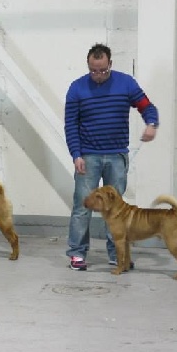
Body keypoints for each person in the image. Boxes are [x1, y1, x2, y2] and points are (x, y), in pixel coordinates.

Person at [64, 43, 159, 271]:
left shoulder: (126, 83)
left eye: (103, 70)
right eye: (93, 70)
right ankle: (77, 254)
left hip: (116, 156)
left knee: (116, 208)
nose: (98, 75)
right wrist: (76, 154)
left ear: (110, 65)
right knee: (82, 205)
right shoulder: (77, 88)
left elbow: (146, 106)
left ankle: (117, 255)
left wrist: (151, 123)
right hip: (88, 156)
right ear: (88, 66)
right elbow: (70, 125)